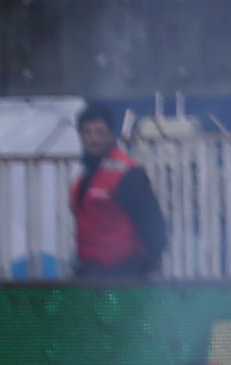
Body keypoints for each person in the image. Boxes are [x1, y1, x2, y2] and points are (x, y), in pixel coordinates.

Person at [67, 102, 167, 280]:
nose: (94, 139)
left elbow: (154, 227)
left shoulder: (127, 175)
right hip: (91, 273)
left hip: (125, 275)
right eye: (87, 132)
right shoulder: (82, 178)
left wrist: (142, 267)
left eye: (100, 132)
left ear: (111, 135)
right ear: (80, 135)